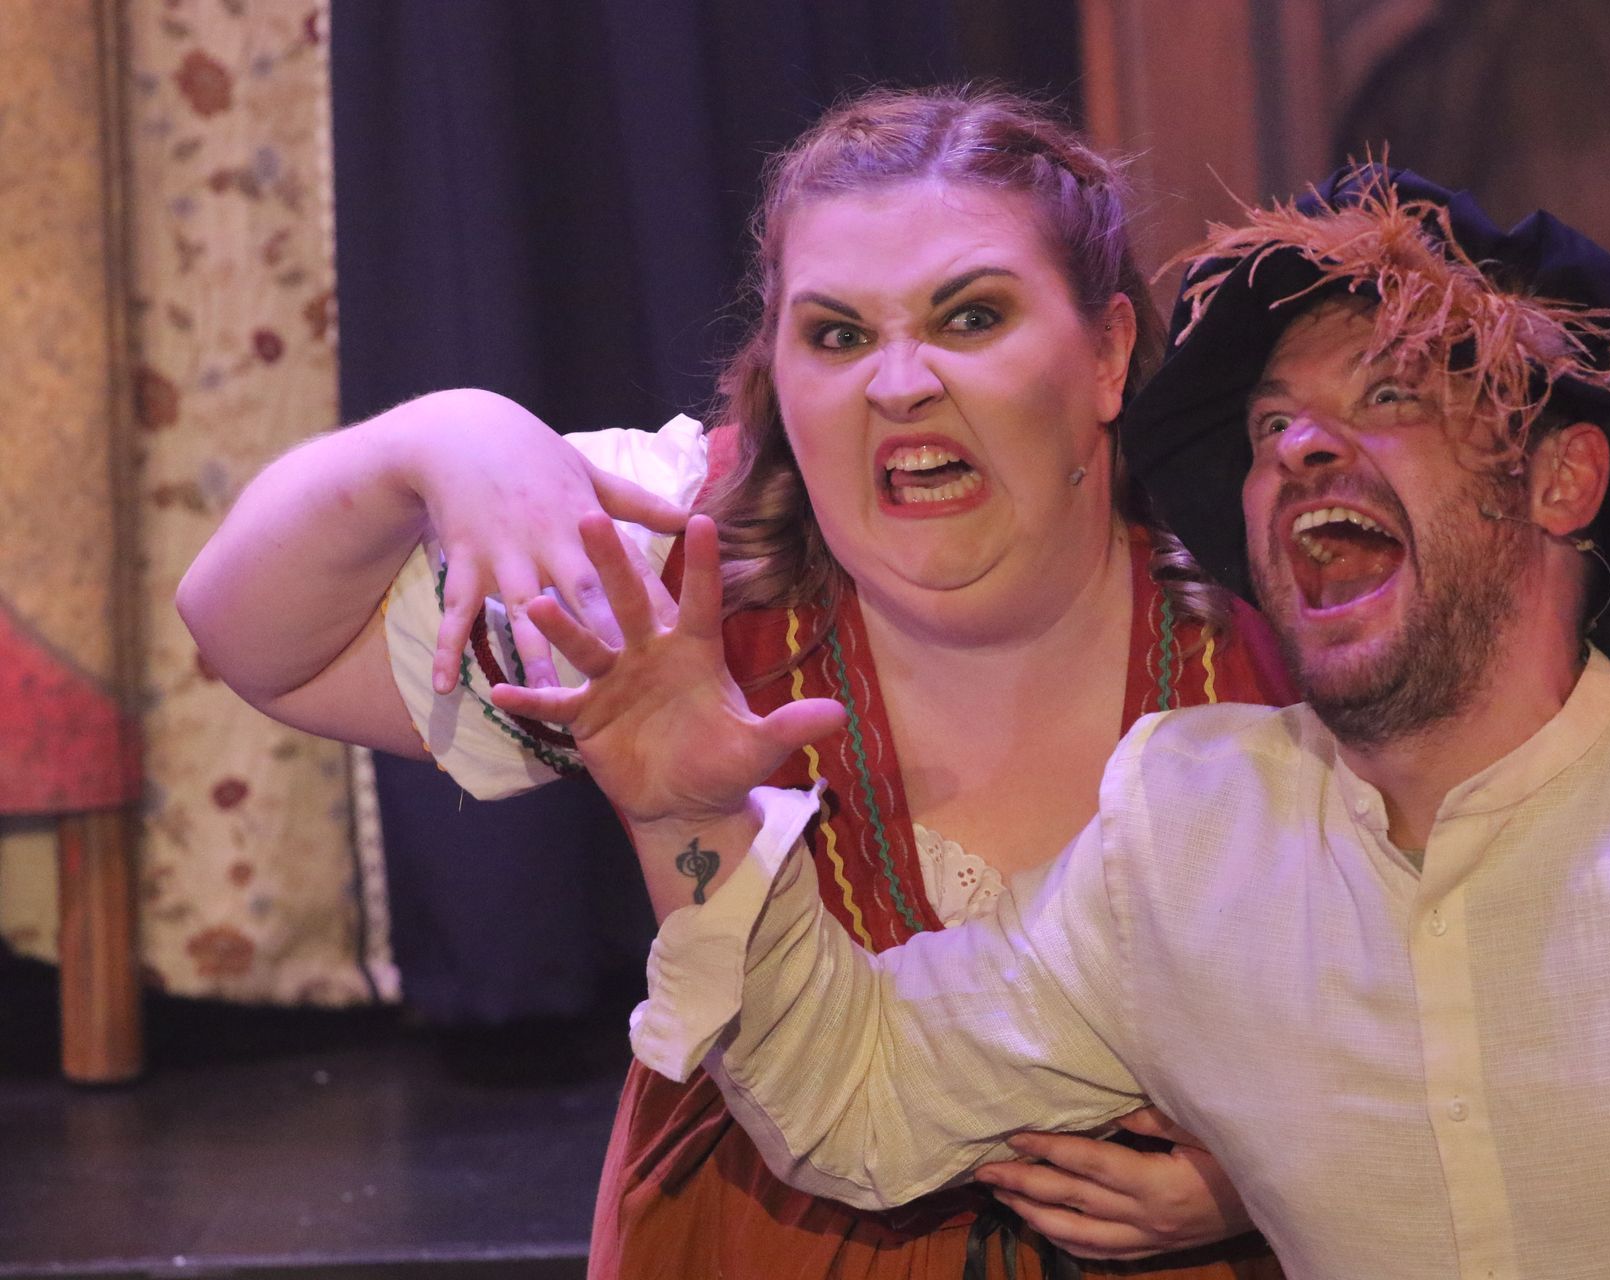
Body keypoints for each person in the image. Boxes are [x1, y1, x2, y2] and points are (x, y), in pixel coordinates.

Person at [497, 164, 1610, 1278]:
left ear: (1560, 481)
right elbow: (857, 1096)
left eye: (1389, 393)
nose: (1299, 446)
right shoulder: (1190, 839)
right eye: (1265, 427)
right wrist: (692, 819)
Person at [177, 88, 1295, 1278]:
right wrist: (438, 438)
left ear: (1108, 352)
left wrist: (1266, 1171)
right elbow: (256, 636)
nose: (899, 382)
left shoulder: (1276, 601)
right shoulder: (682, 564)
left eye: (970, 316)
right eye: (838, 335)